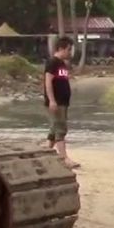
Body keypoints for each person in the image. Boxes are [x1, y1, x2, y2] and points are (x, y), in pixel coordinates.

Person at [43, 36, 79, 169]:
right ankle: (64, 158)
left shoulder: (62, 63)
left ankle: (45, 153)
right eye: (69, 50)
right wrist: (52, 101)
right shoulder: (52, 62)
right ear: (61, 49)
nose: (70, 53)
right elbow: (48, 82)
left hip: (63, 102)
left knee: (54, 129)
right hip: (56, 102)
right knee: (61, 128)